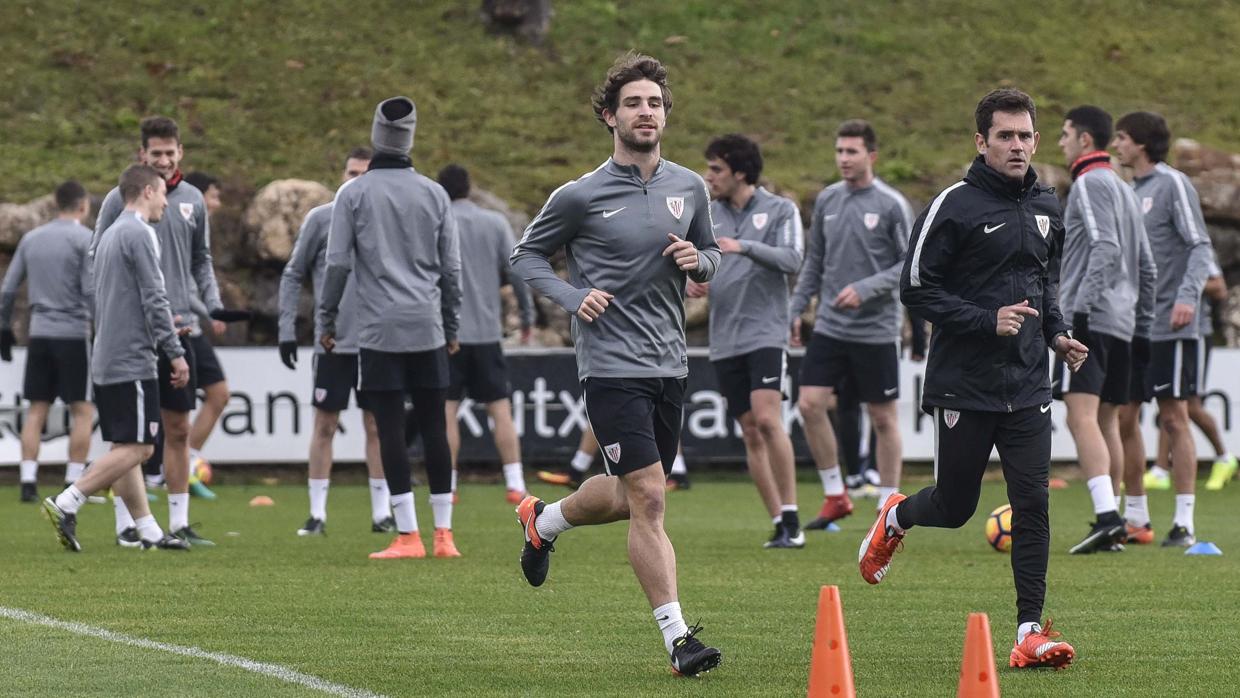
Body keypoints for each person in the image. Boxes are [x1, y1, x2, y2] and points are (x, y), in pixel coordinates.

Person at [509, 52, 722, 677]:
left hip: (670, 362)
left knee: (634, 498)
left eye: (654, 102)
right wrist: (575, 299)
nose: (646, 111)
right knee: (652, 497)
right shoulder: (578, 196)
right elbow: (526, 257)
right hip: (609, 364)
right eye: (633, 102)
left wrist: (699, 262)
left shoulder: (690, 187)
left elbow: (710, 254)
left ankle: (544, 521)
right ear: (610, 116)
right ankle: (679, 639)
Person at [858, 88, 1086, 669]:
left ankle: (1029, 631)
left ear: (1037, 140)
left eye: (1025, 135)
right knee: (956, 506)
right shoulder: (953, 205)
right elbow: (915, 287)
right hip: (965, 382)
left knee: (1033, 505)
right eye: (1005, 136)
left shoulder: (1047, 205)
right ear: (980, 141)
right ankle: (897, 515)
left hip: (1030, 383)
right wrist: (988, 321)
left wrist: (1057, 334)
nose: (1017, 146)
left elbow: (1045, 286)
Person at [319, 96, 462, 559]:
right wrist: (451, 324)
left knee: (390, 428)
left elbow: (337, 264)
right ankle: (444, 535)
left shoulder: (353, 195)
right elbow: (452, 271)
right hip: (427, 328)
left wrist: (326, 317)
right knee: (435, 427)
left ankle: (407, 535)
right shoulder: (435, 194)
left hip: (378, 331)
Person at [94, 116, 236, 547]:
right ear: (143, 155)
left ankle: (178, 521)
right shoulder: (119, 201)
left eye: (169, 153)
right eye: (155, 153)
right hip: (136, 334)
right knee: (129, 435)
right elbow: (96, 255)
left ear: (180, 153)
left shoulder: (191, 199)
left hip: (180, 328)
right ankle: (126, 523)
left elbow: (201, 260)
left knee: (176, 429)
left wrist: (211, 305)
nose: (163, 159)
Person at [42, 165, 189, 552]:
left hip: (106, 352)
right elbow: (154, 297)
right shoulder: (140, 232)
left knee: (125, 446)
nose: (165, 204)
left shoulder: (107, 235)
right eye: (161, 194)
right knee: (140, 449)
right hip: (131, 357)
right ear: (145, 192)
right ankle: (67, 501)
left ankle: (148, 531)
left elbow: (122, 297)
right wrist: (174, 351)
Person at [789, 119, 913, 529]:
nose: (843, 159)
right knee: (809, 403)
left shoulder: (891, 205)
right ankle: (834, 494)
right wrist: (794, 309)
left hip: (876, 331)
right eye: (839, 151)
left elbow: (912, 266)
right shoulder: (827, 201)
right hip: (829, 327)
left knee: (882, 417)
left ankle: (886, 506)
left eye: (851, 152)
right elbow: (815, 263)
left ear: (871, 156)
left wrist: (868, 287)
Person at [1053, 105, 1156, 555]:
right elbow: (1147, 267)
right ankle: (1110, 520)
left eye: (1064, 134)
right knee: (1107, 419)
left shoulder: (1090, 183)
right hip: (1124, 319)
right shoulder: (1126, 189)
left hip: (1092, 317)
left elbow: (1105, 247)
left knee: (1079, 415)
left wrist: (1078, 313)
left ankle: (1108, 516)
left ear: (1084, 141)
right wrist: (1144, 326)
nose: (1060, 142)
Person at [692, 133, 804, 548]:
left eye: (716, 169)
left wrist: (744, 246)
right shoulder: (706, 212)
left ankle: (793, 516)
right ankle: (778, 521)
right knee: (750, 431)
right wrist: (695, 278)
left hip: (766, 334)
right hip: (725, 340)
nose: (709, 177)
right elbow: (702, 258)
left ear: (740, 171)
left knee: (767, 418)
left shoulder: (780, 210)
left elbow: (792, 259)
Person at [278, 147, 395, 535]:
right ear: (341, 175)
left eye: (364, 174)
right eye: (351, 173)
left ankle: (382, 513)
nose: (355, 181)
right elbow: (294, 273)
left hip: (376, 343)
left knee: (377, 425)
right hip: (333, 344)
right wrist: (286, 327)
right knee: (325, 424)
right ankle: (317, 514)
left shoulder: (385, 221)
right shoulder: (320, 219)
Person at [1112, 111, 1216, 547]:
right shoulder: (1126, 191)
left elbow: (1199, 245)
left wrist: (1187, 297)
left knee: (1174, 417)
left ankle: (1184, 522)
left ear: (1140, 143)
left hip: (1171, 325)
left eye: (1121, 138)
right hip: (1133, 326)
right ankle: (1136, 517)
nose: (1115, 145)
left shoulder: (1172, 184)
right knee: (1124, 417)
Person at [435, 164, 535, 505]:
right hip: (487, 332)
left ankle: (447, 486)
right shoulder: (493, 223)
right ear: (470, 188)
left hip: (447, 335)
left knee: (446, 409)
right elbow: (518, 271)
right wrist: (526, 315)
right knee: (500, 407)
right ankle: (515, 482)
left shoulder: (437, 224)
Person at [0, 181, 95, 503]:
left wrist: (3, 325)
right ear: (83, 205)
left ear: (56, 203)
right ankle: (73, 481)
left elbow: (8, 288)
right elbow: (90, 290)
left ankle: (28, 480)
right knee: (82, 410)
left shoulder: (32, 238)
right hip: (72, 334)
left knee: (36, 409)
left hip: (39, 332)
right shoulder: (85, 239)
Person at [180, 170, 233, 501]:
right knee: (176, 408)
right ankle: (166, 470)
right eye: (214, 194)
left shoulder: (201, 227)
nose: (218, 202)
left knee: (219, 394)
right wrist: (209, 311)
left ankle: (185, 461)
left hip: (194, 326)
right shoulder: (183, 225)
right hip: (183, 326)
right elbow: (180, 284)